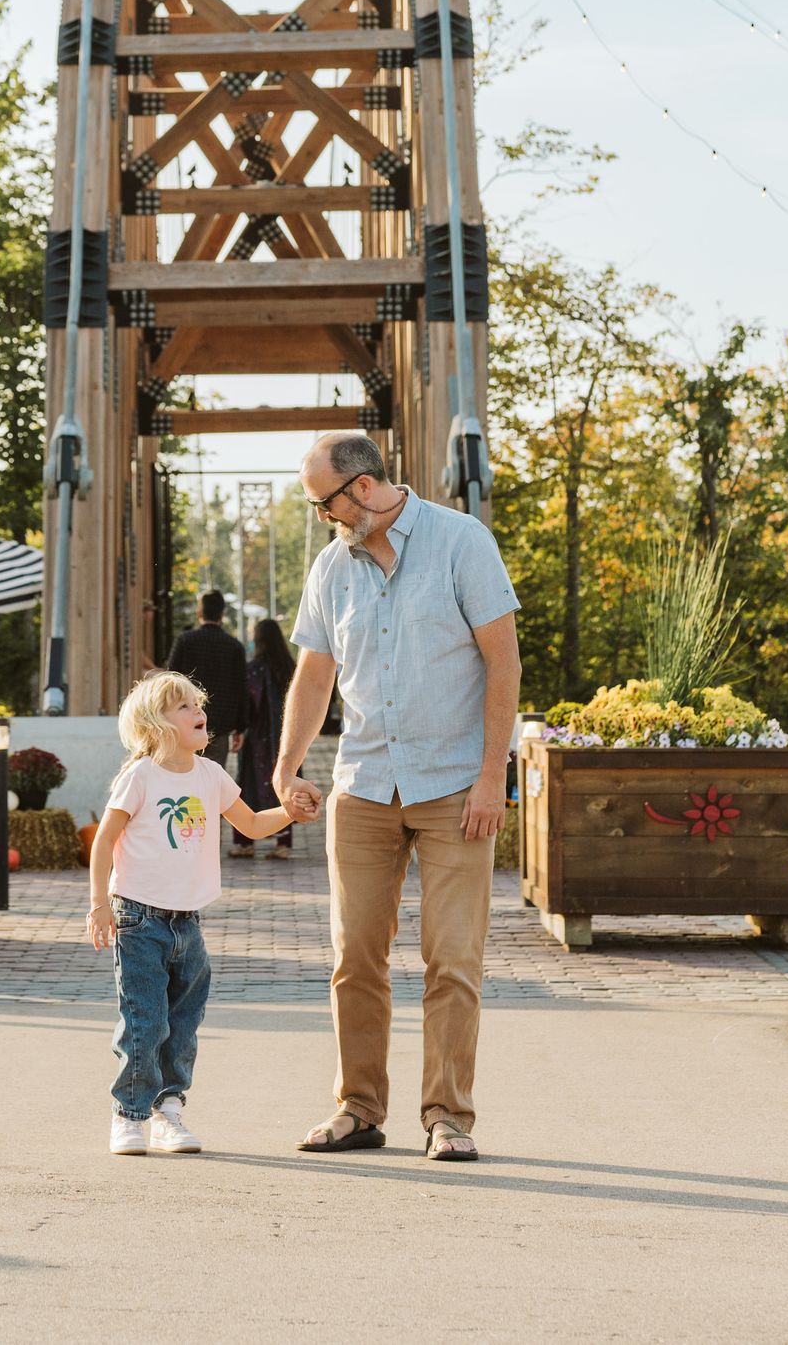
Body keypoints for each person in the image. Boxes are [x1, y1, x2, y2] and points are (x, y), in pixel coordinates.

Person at [273, 431, 521, 1164]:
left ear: (363, 487)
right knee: (355, 958)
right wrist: (286, 768)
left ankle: (448, 1116)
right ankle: (358, 1109)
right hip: (364, 787)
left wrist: (492, 777)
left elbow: (503, 663)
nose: (323, 518)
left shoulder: (461, 542)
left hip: (455, 787)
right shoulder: (331, 567)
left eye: (325, 503)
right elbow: (314, 676)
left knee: (452, 959)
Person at [86, 670, 302, 1155]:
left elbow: (251, 824)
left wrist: (291, 811)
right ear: (156, 725)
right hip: (138, 920)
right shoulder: (140, 776)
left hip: (188, 923)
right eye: (183, 706)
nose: (198, 711)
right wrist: (99, 905)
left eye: (197, 703)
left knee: (182, 1024)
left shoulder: (210, 774)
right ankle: (129, 1116)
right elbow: (103, 843)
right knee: (145, 1021)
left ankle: (168, 1112)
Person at [228, 617, 297, 861]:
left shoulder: (253, 669)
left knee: (249, 786)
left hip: (257, 737)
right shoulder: (290, 667)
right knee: (284, 783)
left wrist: (239, 729)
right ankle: (283, 843)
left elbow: (246, 703)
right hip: (286, 737)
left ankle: (244, 842)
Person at [167, 589, 248, 769]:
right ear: (222, 614)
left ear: (199, 612)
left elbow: (170, 679)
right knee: (213, 776)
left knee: (184, 773)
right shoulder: (234, 647)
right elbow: (242, 689)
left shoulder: (185, 641)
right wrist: (240, 728)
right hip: (220, 725)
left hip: (184, 721)